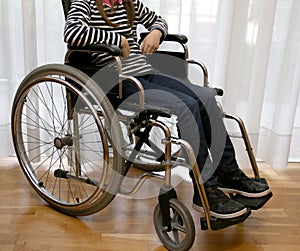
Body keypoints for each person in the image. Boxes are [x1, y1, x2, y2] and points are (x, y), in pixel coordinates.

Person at [64, 0, 271, 223]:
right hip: (118, 82)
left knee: (205, 97)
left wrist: (156, 32)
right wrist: (120, 40)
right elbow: (72, 31)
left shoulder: (128, 2)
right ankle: (205, 191)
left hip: (143, 72)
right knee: (187, 106)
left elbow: (158, 19)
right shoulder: (84, 3)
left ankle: (227, 171)